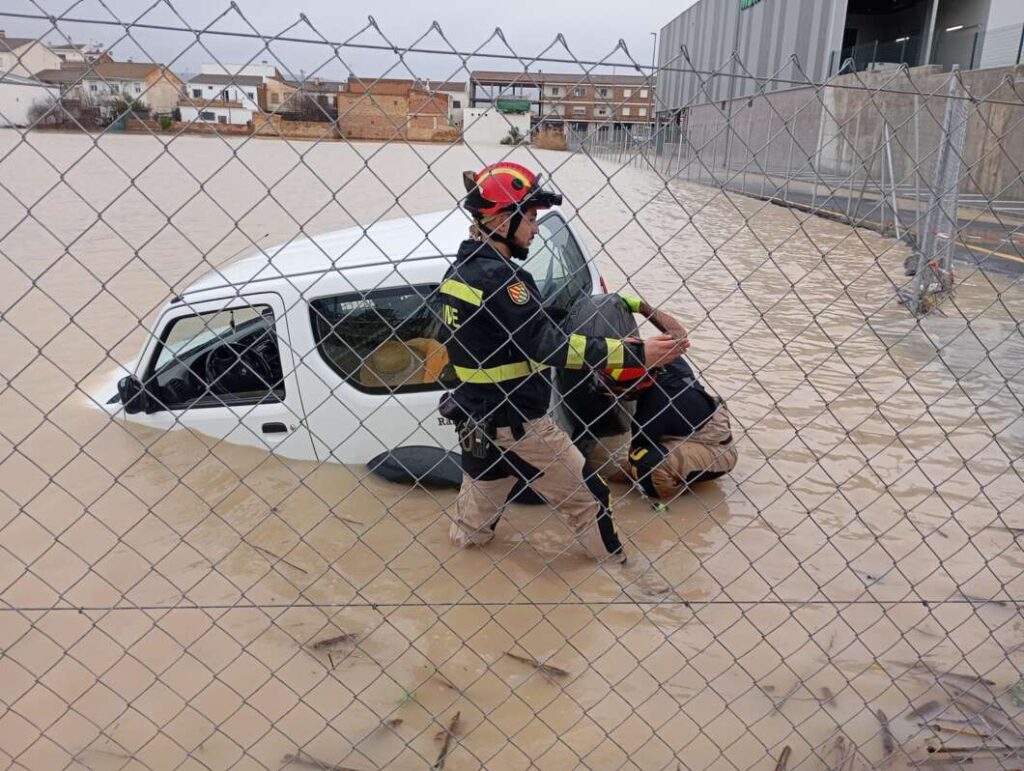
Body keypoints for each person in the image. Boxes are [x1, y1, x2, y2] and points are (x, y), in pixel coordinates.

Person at [439, 162, 686, 562]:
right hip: (520, 421)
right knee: (590, 499)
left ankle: (461, 574)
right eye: (532, 218)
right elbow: (550, 347)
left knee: (474, 524)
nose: (535, 229)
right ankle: (622, 582)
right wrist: (637, 352)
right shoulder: (505, 281)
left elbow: (510, 332)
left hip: (476, 421)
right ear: (503, 220)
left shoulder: (461, 271)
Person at [588, 294, 738, 501]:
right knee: (648, 454)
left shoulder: (652, 412)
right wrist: (640, 306)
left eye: (616, 387)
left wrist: (606, 480)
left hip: (715, 449)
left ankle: (674, 499)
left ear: (637, 386)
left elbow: (631, 462)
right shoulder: (663, 359)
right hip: (708, 422)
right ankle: (680, 460)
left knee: (646, 464)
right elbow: (678, 333)